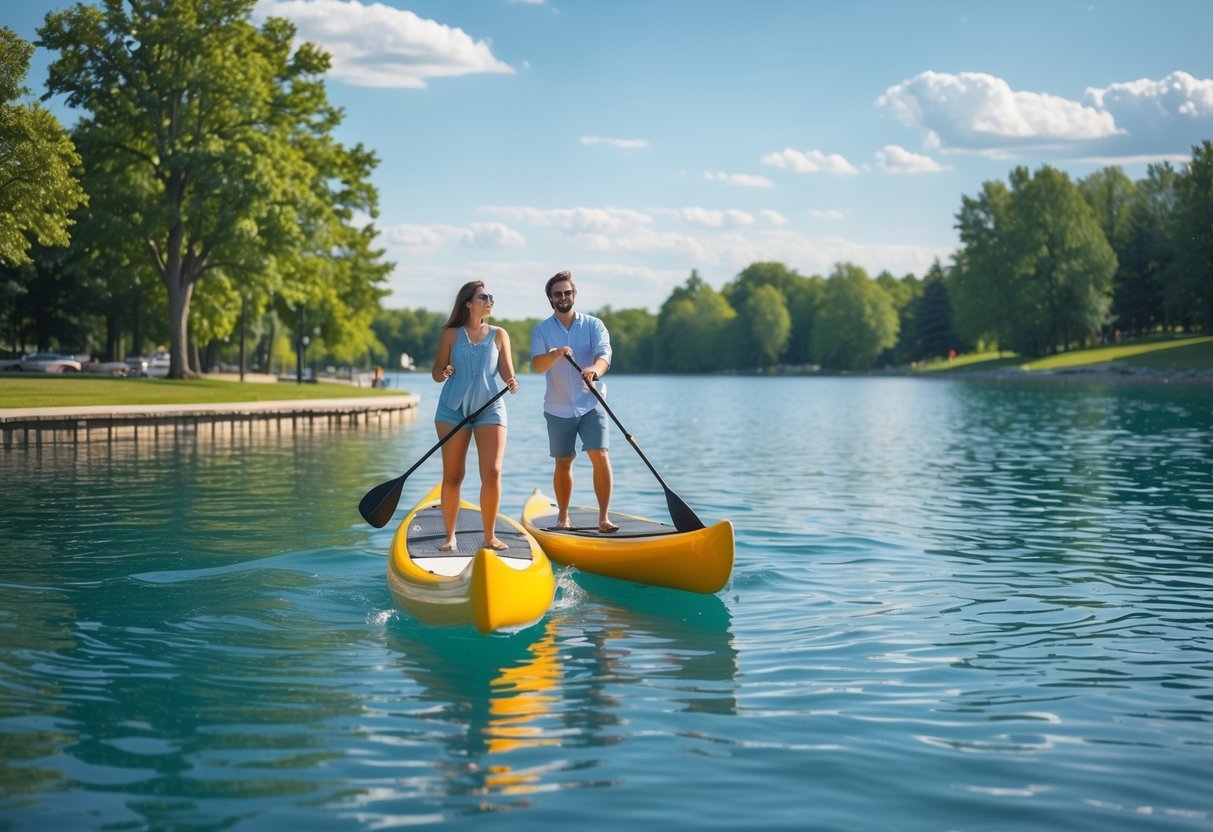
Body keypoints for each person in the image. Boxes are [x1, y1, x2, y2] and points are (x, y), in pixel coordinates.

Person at [431, 280, 520, 551]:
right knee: (454, 475)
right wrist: (443, 372)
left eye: (490, 296)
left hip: (489, 409)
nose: (490, 300)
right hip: (451, 410)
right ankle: (450, 537)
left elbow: (507, 372)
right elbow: (436, 373)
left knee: (492, 472)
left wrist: (512, 381)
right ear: (468, 303)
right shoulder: (450, 334)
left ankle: (489, 536)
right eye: (484, 297)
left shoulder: (499, 334)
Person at [530, 270, 618, 533]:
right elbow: (537, 365)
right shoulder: (542, 330)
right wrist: (556, 354)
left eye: (567, 292)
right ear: (550, 299)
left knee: (600, 455)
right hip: (558, 408)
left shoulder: (594, 325)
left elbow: (605, 355)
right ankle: (563, 517)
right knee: (564, 461)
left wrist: (595, 370)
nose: (563, 297)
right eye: (558, 294)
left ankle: (603, 519)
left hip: (592, 403)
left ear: (574, 295)